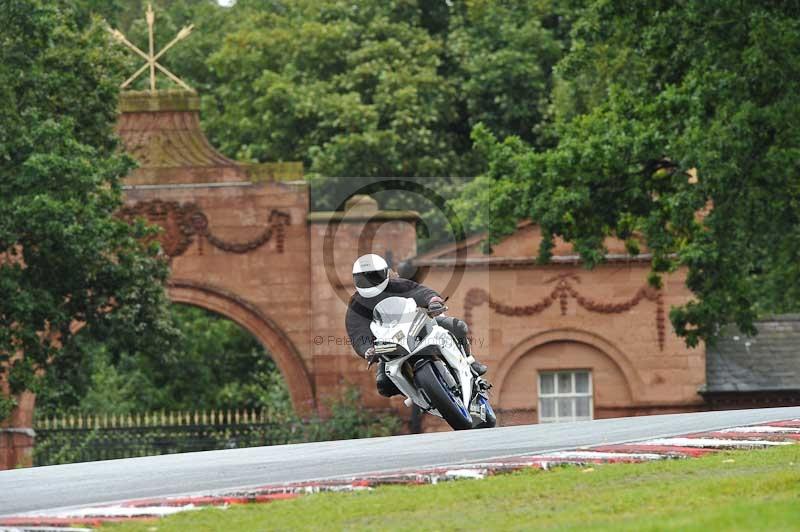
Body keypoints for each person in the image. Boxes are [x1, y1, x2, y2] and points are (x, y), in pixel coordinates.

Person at [345, 253, 487, 397]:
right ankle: (417, 393)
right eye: (364, 278)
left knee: (457, 326)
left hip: (418, 324)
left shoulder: (397, 284)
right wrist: (367, 350)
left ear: (384, 273)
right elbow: (357, 332)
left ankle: (470, 362)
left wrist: (433, 301)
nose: (370, 281)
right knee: (384, 386)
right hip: (389, 344)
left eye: (374, 276)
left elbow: (420, 292)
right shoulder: (357, 304)